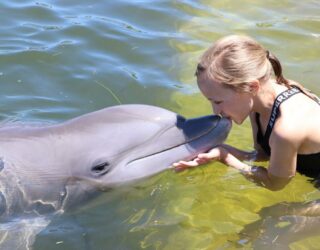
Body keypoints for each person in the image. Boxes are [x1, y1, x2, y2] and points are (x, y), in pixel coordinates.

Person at [173, 35, 320, 191]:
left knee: (274, 215)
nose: (216, 112)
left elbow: (275, 184)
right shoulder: (257, 101)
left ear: (251, 87)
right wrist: (219, 150)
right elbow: (263, 155)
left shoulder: (286, 130)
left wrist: (226, 158)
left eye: (218, 102)